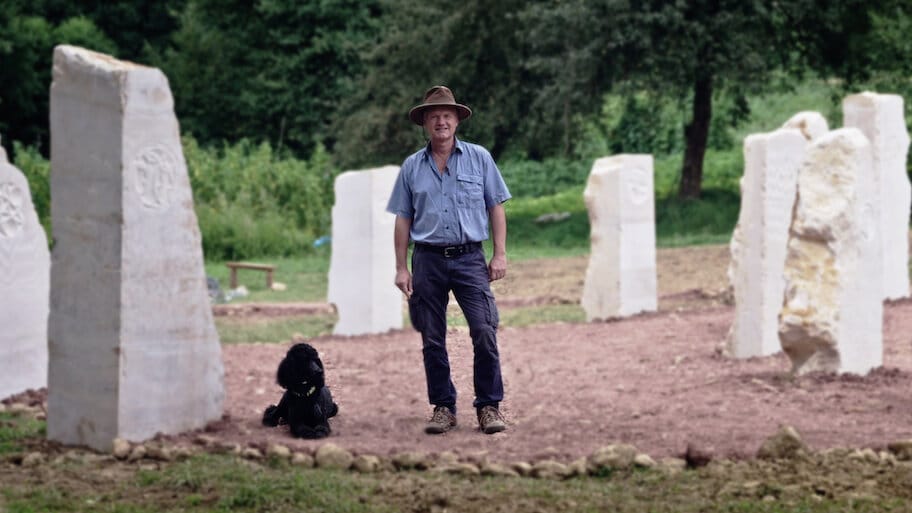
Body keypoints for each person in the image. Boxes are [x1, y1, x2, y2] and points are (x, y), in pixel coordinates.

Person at [386, 85, 511, 435]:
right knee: (432, 337)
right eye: (434, 116)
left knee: (484, 330)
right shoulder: (412, 167)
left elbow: (496, 206)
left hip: (470, 258)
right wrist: (401, 267)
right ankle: (443, 407)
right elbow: (402, 218)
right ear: (425, 122)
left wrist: (499, 254)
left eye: (447, 115)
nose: (441, 121)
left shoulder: (480, 158)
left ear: (457, 120)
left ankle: (489, 406)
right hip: (427, 260)